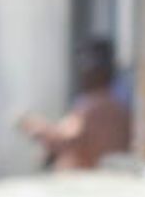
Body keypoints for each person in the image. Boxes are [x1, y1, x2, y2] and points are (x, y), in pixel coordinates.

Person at [21, 36, 135, 171]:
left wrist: (34, 126)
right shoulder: (119, 106)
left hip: (87, 184)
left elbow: (62, 140)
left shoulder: (92, 107)